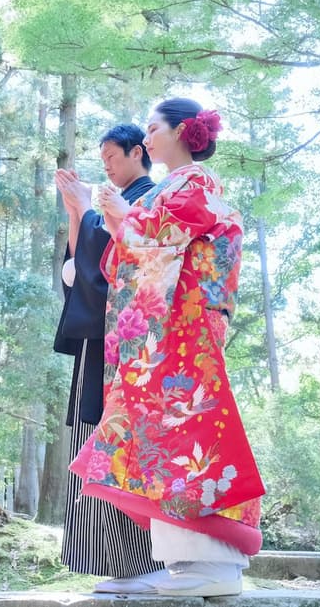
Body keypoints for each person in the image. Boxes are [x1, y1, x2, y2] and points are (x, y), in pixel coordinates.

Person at [71, 98, 264, 597]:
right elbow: (135, 253)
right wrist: (121, 224)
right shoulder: (175, 186)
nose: (148, 136)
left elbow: (164, 235)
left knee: (187, 431)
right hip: (171, 327)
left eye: (154, 128)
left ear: (181, 131)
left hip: (187, 324)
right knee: (161, 435)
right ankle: (190, 562)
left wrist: (125, 219)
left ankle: (213, 564)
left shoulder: (197, 182)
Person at [52, 124, 164, 593]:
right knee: (91, 436)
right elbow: (82, 271)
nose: (107, 167)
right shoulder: (112, 204)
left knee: (121, 442)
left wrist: (86, 211)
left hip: (131, 345)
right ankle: (117, 564)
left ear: (138, 152)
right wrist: (78, 214)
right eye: (102, 160)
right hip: (100, 342)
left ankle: (143, 561)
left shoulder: (149, 200)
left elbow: (120, 266)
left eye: (112, 157)